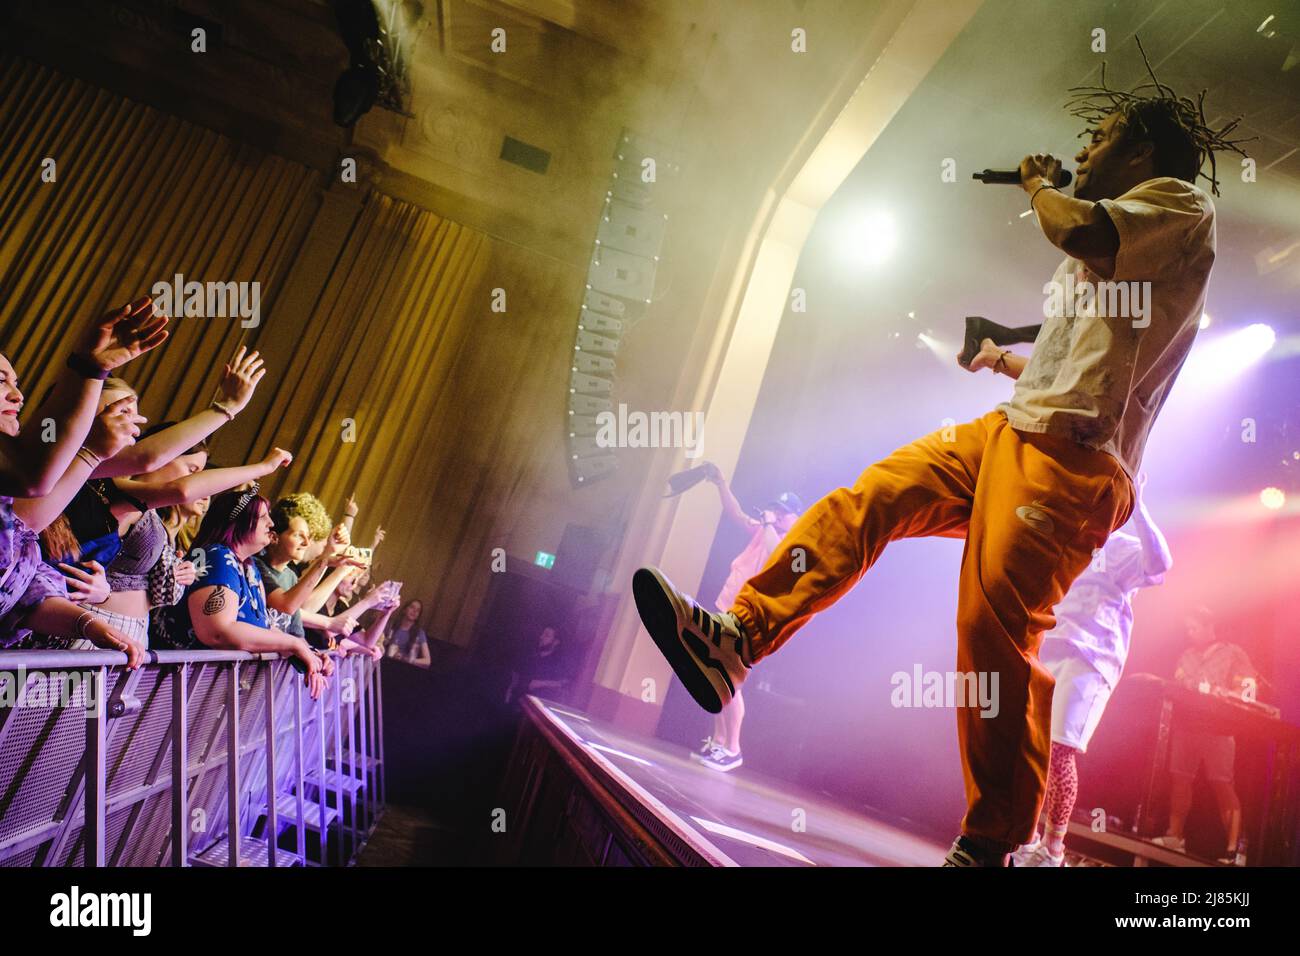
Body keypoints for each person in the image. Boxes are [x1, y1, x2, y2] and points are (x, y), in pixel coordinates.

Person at [632, 50, 1244, 865]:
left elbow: (1075, 225)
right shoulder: (1113, 251)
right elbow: (1076, 361)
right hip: (1010, 431)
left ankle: (993, 844)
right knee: (874, 495)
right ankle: (738, 637)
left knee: (991, 632)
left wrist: (1038, 185)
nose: (1084, 152)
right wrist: (999, 354)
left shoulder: (1177, 204)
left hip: (1072, 464)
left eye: (1098, 138)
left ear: (1140, 151)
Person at [1012, 471, 1171, 866]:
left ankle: (1053, 848)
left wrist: (1139, 509)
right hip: (1050, 647)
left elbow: (1161, 565)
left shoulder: (1123, 549)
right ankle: (1025, 836)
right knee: (1029, 749)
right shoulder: (1068, 537)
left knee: (1061, 751)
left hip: (1091, 660)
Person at [158, 485, 329, 698]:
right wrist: (294, 643)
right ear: (239, 522)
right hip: (176, 686)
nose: (272, 523)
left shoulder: (248, 566)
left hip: (200, 686)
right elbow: (219, 631)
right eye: (263, 517)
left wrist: (306, 653)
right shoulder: (216, 556)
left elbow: (264, 628)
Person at [691, 462, 801, 772]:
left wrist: (768, 525)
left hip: (748, 619)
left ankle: (733, 748)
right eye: (774, 510)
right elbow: (736, 514)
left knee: (731, 682)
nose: (776, 515)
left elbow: (777, 557)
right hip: (727, 609)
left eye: (783, 512)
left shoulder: (792, 540)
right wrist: (721, 485)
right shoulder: (764, 530)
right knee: (716, 678)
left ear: (794, 515)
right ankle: (718, 742)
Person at [1153, 606, 1257, 864]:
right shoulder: (1186, 654)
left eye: (1194, 627)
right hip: (1187, 725)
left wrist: (1224, 691)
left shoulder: (1233, 653)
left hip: (1219, 729)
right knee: (1180, 778)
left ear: (1210, 626)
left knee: (1222, 784)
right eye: (1187, 628)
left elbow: (1248, 689)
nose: (1190, 633)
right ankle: (1174, 836)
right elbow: (1178, 682)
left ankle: (1234, 851)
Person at [383, 598, 430, 666]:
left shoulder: (419, 633)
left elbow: (427, 661)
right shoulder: (391, 626)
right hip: (386, 662)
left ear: (418, 616)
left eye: (418, 610)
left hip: (405, 667)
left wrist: (407, 659)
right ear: (404, 610)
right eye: (412, 607)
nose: (414, 611)